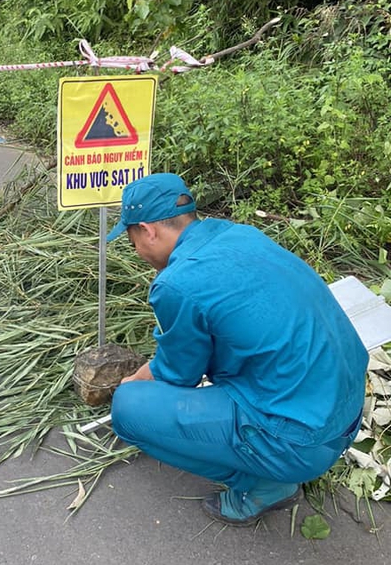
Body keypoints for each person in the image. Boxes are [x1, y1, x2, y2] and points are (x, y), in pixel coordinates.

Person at [107, 172, 368, 526]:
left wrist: (130, 383)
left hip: (301, 440)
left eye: (132, 239)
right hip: (348, 410)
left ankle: (261, 486)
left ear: (148, 229)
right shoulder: (239, 234)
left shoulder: (176, 283)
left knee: (129, 410)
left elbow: (177, 375)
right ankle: (273, 458)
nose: (136, 250)